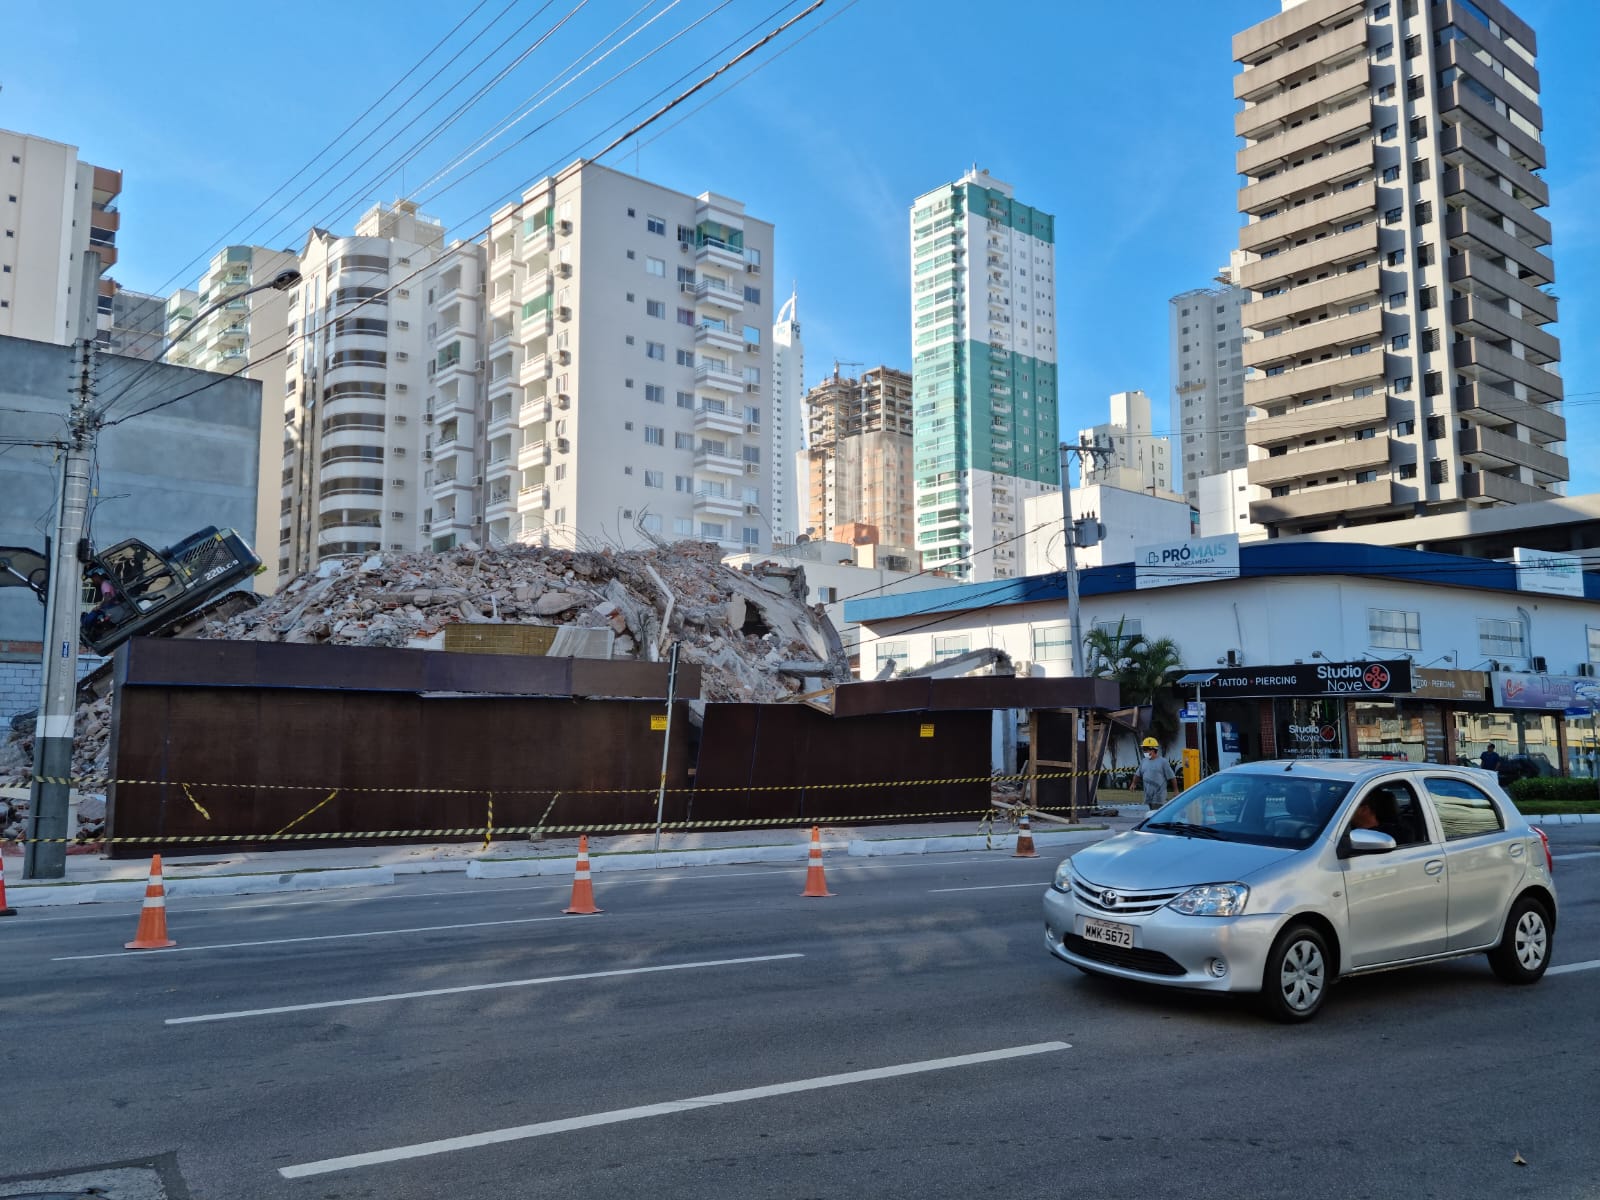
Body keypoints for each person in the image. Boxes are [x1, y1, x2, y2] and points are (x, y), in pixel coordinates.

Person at [1135, 737, 1176, 809]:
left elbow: (1172, 777)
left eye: (1145, 750)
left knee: (1156, 816)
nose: (1144, 752)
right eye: (1143, 749)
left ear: (1153, 750)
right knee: (1150, 815)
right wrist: (1133, 783)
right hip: (1147, 797)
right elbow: (1138, 774)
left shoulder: (1163, 762)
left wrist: (1176, 790)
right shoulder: (1144, 761)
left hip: (1159, 797)